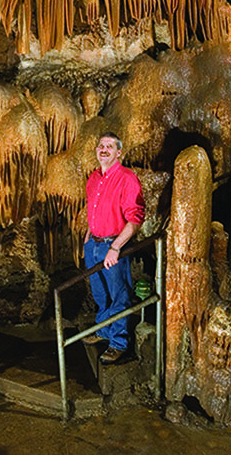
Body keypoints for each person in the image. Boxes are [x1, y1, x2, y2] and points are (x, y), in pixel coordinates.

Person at [84, 132, 144, 365]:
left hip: (113, 245)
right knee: (100, 294)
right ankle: (104, 330)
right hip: (94, 244)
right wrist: (88, 237)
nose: (104, 149)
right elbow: (93, 208)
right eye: (101, 145)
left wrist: (116, 247)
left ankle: (118, 342)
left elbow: (135, 219)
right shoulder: (94, 178)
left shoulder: (127, 178)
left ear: (119, 152)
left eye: (110, 146)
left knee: (119, 295)